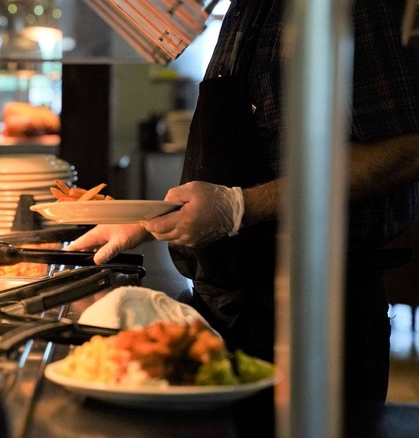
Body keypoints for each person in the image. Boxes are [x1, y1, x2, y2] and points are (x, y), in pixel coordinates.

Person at [65, 0, 419, 403]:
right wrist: (148, 219)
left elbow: (406, 151)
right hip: (226, 309)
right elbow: (243, 159)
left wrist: (241, 206)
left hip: (317, 319)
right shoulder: (244, 10)